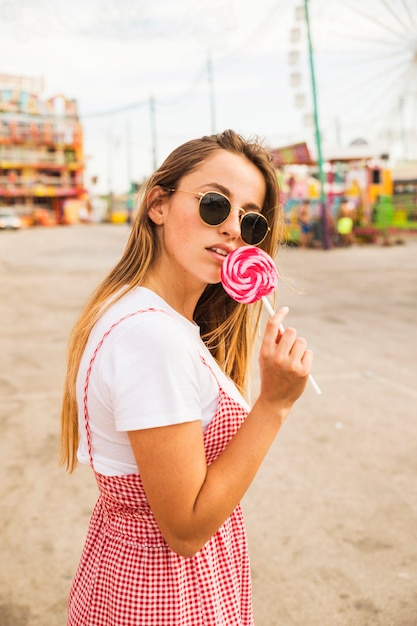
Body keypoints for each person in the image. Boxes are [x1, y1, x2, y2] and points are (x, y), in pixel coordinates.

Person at [60, 129, 313, 625]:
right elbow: (186, 528)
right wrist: (275, 404)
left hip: (131, 578)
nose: (234, 229)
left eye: (252, 219)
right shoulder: (153, 338)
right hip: (165, 596)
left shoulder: (147, 315)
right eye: (215, 204)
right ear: (158, 203)